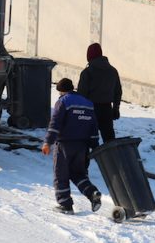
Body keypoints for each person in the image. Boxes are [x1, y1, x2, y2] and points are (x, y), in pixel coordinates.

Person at [41, 78, 102, 215]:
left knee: (60, 175)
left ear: (61, 90)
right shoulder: (88, 103)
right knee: (78, 173)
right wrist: (94, 145)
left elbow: (55, 124)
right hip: (83, 146)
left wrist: (47, 142)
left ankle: (65, 205)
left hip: (65, 145)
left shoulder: (63, 102)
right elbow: (94, 127)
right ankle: (92, 193)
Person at [77, 43, 122, 143]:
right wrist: (116, 108)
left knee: (87, 139)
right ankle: (111, 158)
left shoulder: (87, 72)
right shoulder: (113, 71)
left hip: (90, 109)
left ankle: (86, 158)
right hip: (107, 109)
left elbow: (81, 94)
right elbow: (118, 91)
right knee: (109, 139)